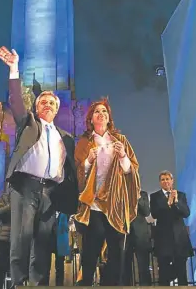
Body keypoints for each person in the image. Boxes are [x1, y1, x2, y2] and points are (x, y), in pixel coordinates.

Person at [0, 46, 79, 287]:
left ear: (57, 108)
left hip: (51, 193)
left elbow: (72, 167)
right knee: (21, 238)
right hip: (26, 188)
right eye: (43, 102)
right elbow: (16, 101)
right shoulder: (29, 123)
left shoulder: (66, 138)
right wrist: (14, 69)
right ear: (36, 107)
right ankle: (18, 283)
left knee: (42, 242)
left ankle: (38, 283)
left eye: (52, 103)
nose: (47, 105)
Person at [74, 99, 141, 286]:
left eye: (104, 111)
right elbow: (79, 174)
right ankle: (85, 283)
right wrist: (87, 161)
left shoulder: (121, 141)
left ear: (109, 117)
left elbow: (131, 172)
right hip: (95, 205)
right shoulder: (85, 142)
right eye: (96, 111)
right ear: (91, 118)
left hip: (116, 204)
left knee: (117, 251)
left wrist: (123, 156)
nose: (101, 114)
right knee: (90, 251)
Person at [150, 171, 193, 286]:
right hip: (163, 237)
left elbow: (186, 213)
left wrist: (176, 202)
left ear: (172, 181)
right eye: (163, 179)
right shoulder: (154, 196)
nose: (166, 181)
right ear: (160, 182)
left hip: (179, 237)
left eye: (168, 179)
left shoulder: (181, 195)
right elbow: (154, 214)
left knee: (181, 267)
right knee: (163, 267)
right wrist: (168, 203)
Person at [123, 190, 152, 286]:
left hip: (141, 234)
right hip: (124, 233)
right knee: (125, 265)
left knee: (143, 265)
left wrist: (137, 197)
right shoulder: (120, 191)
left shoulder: (142, 194)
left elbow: (146, 212)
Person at [0, 190, 11, 289]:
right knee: (0, 269)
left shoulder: (24, 197)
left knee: (14, 270)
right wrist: (11, 207)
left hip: (18, 239)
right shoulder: (5, 197)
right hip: (3, 239)